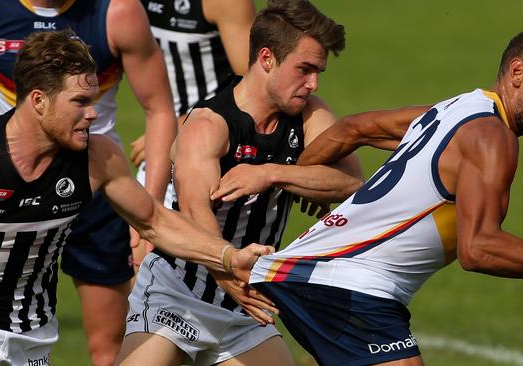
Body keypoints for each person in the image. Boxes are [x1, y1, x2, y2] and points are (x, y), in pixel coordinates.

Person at [248, 26, 523, 366]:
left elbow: (352, 128)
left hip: (316, 274)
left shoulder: (454, 109)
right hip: (346, 283)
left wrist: (300, 176)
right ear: (517, 73)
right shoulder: (493, 138)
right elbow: (478, 249)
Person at [0, 29, 268, 366]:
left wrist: (229, 257)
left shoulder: (96, 157)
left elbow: (155, 222)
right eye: (80, 102)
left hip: (32, 343)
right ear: (39, 101)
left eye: (94, 100)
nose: (93, 114)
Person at [117, 0, 363, 365]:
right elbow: (195, 209)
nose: (313, 83)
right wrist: (226, 268)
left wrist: (272, 173)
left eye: (318, 72)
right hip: (179, 292)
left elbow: (353, 183)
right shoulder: (208, 124)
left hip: (245, 300)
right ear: (266, 59)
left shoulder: (310, 115)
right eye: (305, 69)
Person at [0, 0, 177, 364]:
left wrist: (149, 208)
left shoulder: (117, 12)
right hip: (8, 186)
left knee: (108, 343)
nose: (91, 108)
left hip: (97, 184)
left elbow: (159, 109)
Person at [128, 0, 256, 264]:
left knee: (217, 261)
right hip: (162, 138)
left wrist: (179, 124)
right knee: (138, 260)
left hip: (214, 142)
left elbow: (255, 80)